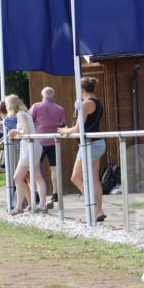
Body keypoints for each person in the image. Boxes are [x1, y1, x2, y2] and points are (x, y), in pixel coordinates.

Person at [58, 76, 107, 222]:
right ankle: (99, 211)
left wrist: (64, 131)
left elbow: (78, 128)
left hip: (89, 145)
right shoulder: (97, 102)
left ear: (82, 89)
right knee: (94, 179)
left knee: (75, 178)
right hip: (98, 143)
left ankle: (94, 207)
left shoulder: (86, 104)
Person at [6, 94, 47, 214]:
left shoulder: (20, 114)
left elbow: (25, 131)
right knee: (37, 177)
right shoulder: (25, 113)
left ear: (11, 106)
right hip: (33, 146)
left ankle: (19, 207)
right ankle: (42, 204)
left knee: (17, 177)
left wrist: (14, 131)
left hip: (29, 147)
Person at [29, 86, 66, 208]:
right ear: (53, 96)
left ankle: (36, 193)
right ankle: (55, 193)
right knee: (54, 168)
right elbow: (62, 124)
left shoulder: (36, 106)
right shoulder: (60, 109)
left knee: (35, 168)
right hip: (54, 141)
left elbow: (29, 121)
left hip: (39, 141)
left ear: (42, 95)